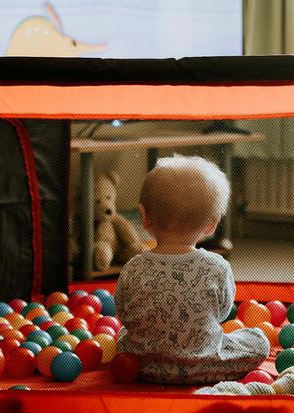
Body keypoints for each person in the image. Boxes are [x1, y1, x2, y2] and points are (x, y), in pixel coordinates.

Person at [114, 155, 270, 384]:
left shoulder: (133, 268)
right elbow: (222, 312)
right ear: (211, 225)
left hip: (144, 366)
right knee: (259, 340)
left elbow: (123, 312)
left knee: (123, 335)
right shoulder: (217, 267)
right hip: (205, 366)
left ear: (144, 217)